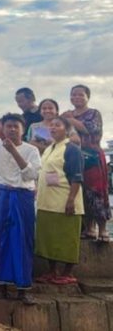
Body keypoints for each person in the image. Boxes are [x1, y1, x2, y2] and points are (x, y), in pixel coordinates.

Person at [0, 113, 40, 302]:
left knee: (23, 240)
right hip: (1, 197)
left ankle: (23, 288)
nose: (12, 129)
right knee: (1, 240)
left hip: (22, 197)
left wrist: (14, 151)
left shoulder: (31, 150)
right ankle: (1, 286)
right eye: (8, 126)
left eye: (16, 126)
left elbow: (31, 175)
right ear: (2, 129)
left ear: (23, 130)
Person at [35, 116, 84, 285]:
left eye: (58, 125)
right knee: (49, 239)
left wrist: (71, 200)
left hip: (64, 201)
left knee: (67, 238)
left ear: (67, 129)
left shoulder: (72, 149)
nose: (53, 128)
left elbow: (77, 177)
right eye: (51, 125)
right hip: (47, 202)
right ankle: (52, 271)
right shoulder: (49, 148)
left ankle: (68, 273)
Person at [62, 84, 107, 241]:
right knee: (80, 191)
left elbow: (90, 129)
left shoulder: (94, 113)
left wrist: (70, 120)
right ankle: (89, 228)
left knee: (97, 191)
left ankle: (102, 229)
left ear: (88, 97)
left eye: (80, 94)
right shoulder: (66, 114)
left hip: (92, 156)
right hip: (74, 156)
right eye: (73, 94)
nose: (76, 97)